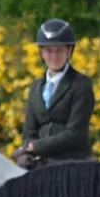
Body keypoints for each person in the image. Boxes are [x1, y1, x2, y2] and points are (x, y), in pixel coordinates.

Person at [12, 18, 94, 169]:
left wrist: (35, 147)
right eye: (49, 50)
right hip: (40, 164)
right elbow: (29, 131)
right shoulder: (35, 87)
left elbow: (75, 133)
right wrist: (26, 153)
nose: (54, 56)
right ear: (41, 53)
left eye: (59, 50)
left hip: (73, 162)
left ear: (69, 51)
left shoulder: (81, 84)